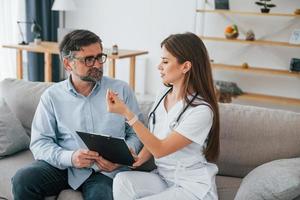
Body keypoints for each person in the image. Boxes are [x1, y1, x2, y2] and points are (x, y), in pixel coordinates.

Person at [11, 29, 142, 200]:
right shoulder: (52, 96)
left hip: (105, 172)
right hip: (65, 167)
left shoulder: (121, 90)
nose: (97, 64)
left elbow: (137, 132)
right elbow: (40, 142)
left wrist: (124, 156)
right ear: (68, 64)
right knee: (23, 179)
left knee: (101, 196)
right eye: (88, 59)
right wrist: (70, 157)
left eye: (99, 57)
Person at [106, 32, 220, 200]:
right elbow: (155, 139)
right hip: (163, 177)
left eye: (165, 61)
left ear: (185, 66)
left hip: (191, 186)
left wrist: (126, 113)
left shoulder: (201, 111)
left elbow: (160, 149)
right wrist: (137, 158)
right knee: (122, 180)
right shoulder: (163, 94)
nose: (159, 66)